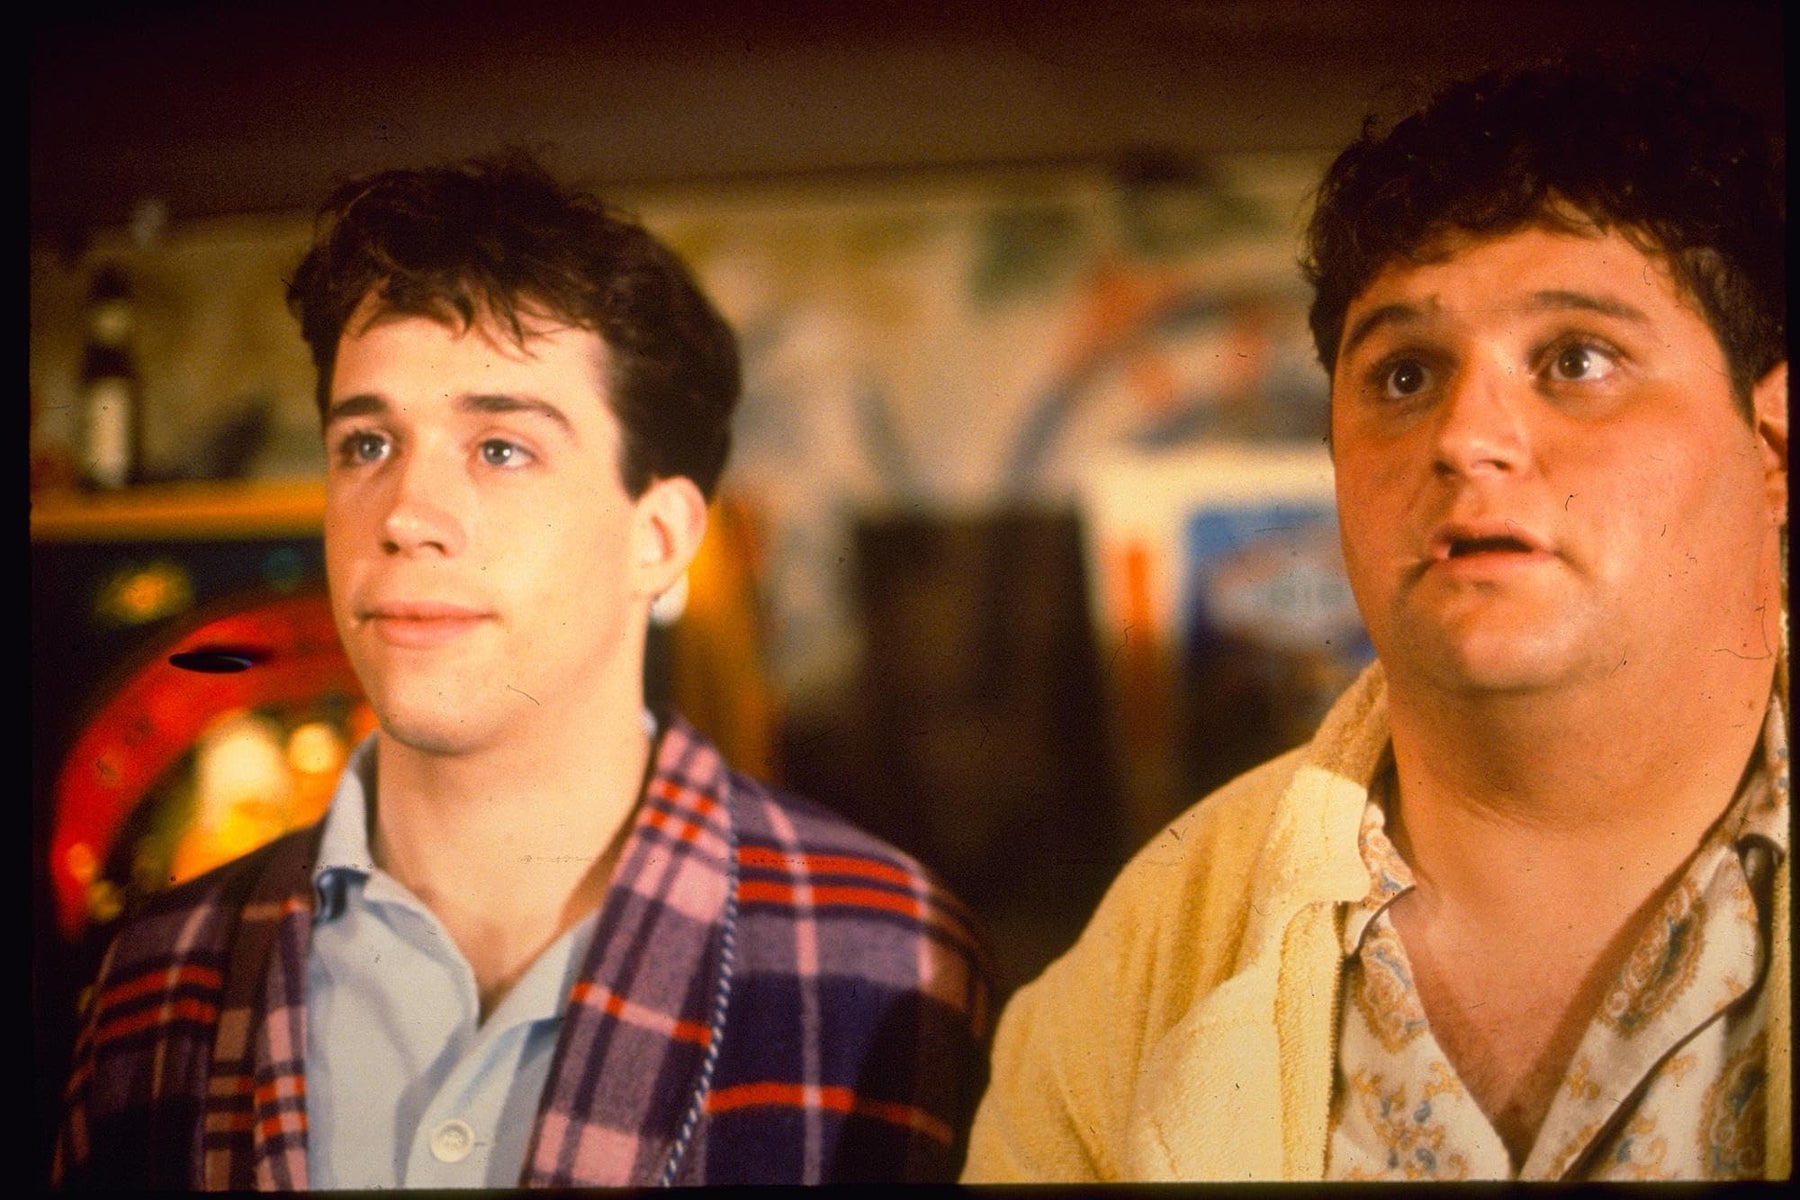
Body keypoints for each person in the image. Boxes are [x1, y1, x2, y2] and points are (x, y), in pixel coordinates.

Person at [54, 152, 993, 1188]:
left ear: (659, 537)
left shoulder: (890, 962)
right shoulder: (159, 972)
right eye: (366, 445)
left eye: (501, 448)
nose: (406, 516)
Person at [963, 54, 1787, 1182]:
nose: (1465, 436)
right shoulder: (1145, 958)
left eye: (1576, 359)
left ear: (1773, 445)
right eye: (1405, 376)